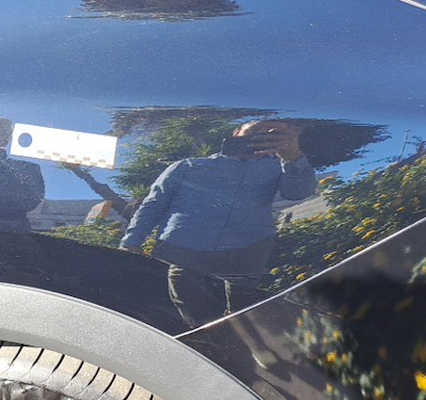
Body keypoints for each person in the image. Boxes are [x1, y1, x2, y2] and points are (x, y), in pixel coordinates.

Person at [120, 120, 315, 324]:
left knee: (244, 311)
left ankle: (235, 337)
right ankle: (203, 338)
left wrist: (293, 157)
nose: (262, 133)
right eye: (255, 128)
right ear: (236, 132)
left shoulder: (279, 168)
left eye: (270, 132)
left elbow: (298, 192)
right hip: (184, 250)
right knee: (191, 308)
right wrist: (132, 241)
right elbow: (153, 204)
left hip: (247, 250)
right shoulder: (189, 166)